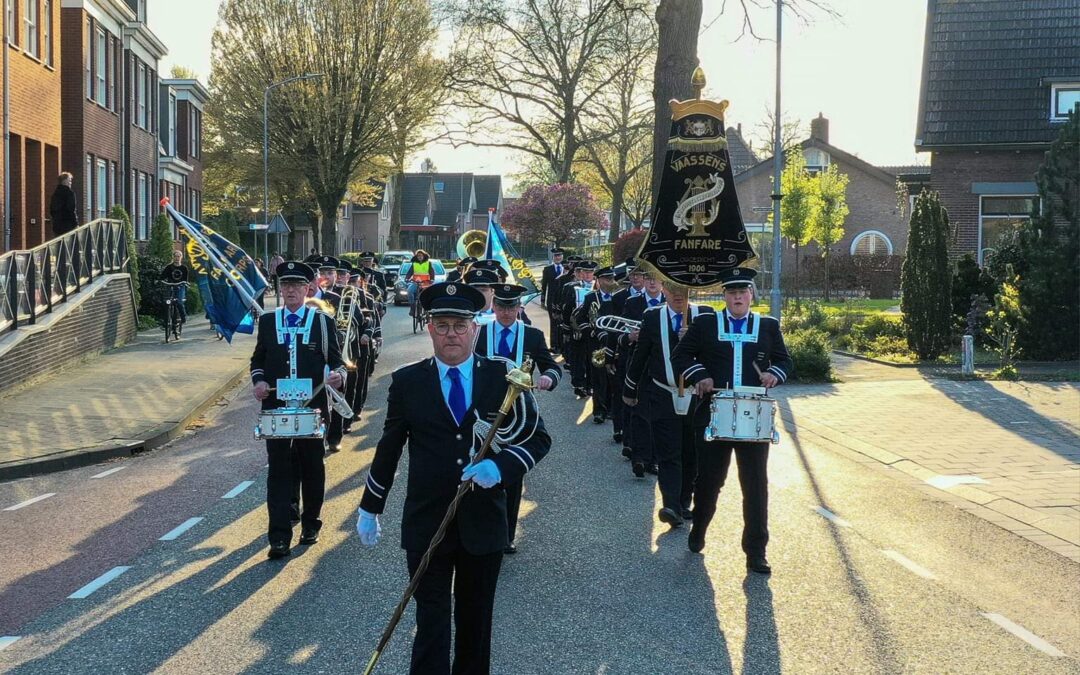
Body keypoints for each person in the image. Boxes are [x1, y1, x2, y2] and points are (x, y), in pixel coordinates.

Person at [356, 281, 551, 675]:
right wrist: (369, 506)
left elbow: (539, 438)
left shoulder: (503, 377)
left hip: (484, 522)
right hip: (428, 521)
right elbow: (389, 448)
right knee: (431, 620)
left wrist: (501, 467)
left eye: (460, 326)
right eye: (442, 325)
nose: (451, 335)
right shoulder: (408, 382)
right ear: (429, 329)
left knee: (475, 623)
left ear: (474, 329)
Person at [671, 267, 792, 573]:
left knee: (755, 486)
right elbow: (681, 355)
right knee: (710, 482)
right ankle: (699, 529)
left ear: (751, 295)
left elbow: (784, 360)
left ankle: (756, 551)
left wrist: (772, 374)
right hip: (713, 413)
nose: (738, 298)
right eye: (732, 293)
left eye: (743, 292)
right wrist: (701, 375)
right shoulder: (706, 323)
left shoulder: (767, 326)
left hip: (753, 418)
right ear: (725, 295)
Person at [250, 261, 347, 559]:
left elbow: (339, 363)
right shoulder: (268, 322)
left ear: (308, 289)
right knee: (278, 472)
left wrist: (338, 376)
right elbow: (257, 361)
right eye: (286, 285)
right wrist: (260, 381)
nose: (291, 290)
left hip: (313, 407)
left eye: (297, 285)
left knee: (312, 467)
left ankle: (311, 524)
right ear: (280, 290)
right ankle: (279, 537)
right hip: (277, 409)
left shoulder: (322, 322)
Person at [474, 283, 561, 555]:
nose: (506, 312)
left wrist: (548, 377)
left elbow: (551, 365)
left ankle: (507, 534)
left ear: (519, 308)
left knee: (511, 473)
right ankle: (480, 528)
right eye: (501, 306)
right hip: (483, 413)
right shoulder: (480, 333)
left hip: (518, 416)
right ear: (494, 306)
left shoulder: (532, 335)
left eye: (511, 307)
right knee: (479, 467)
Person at [623, 280, 713, 519]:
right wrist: (630, 390)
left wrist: (694, 340)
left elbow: (715, 357)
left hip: (697, 396)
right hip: (663, 393)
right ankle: (671, 504)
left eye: (683, 291)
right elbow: (641, 355)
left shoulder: (704, 315)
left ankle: (685, 501)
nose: (678, 296)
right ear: (664, 290)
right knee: (668, 451)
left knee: (691, 452)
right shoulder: (652, 316)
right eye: (673, 290)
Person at [573, 266, 619, 424]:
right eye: (607, 279)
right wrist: (590, 332)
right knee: (598, 378)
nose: (610, 281)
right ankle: (599, 411)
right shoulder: (591, 298)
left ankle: (613, 409)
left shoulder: (619, 297)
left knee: (613, 376)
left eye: (612, 278)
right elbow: (580, 319)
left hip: (615, 343)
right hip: (597, 344)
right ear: (599, 280)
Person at [160, 250, 190, 324]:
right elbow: (162, 277)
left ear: (181, 257)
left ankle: (183, 318)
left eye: (178, 256)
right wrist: (160, 280)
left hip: (180, 287)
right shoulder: (169, 267)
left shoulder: (184, 268)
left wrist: (184, 283)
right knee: (167, 302)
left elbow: (185, 280)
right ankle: (166, 321)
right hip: (170, 286)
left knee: (179, 302)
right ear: (173, 257)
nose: (177, 258)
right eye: (175, 256)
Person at [49, 172, 79, 237]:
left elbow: (52, 210)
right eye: (70, 181)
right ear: (65, 181)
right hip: (68, 225)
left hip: (57, 226)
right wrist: (75, 224)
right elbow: (71, 210)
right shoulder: (69, 193)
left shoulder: (55, 194)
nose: (71, 183)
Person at [405, 249, 434, 316]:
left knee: (427, 295)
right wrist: (407, 278)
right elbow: (410, 272)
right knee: (409, 291)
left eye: (421, 256)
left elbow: (431, 272)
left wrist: (432, 279)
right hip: (416, 282)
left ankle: (427, 312)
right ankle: (412, 308)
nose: (420, 257)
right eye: (418, 256)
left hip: (425, 283)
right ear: (416, 257)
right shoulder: (414, 264)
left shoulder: (428, 263)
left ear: (424, 256)